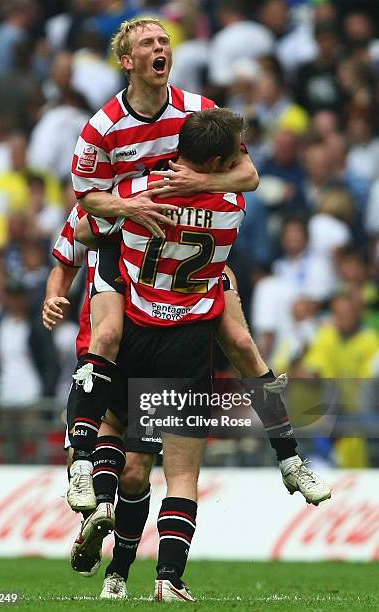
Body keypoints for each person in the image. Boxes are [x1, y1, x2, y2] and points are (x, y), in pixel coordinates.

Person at [66, 17, 330, 519]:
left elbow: (248, 173)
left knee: (244, 343)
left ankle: (291, 457)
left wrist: (186, 187)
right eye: (149, 43)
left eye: (165, 41)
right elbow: (86, 203)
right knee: (105, 340)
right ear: (128, 61)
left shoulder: (199, 110)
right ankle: (80, 463)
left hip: (187, 246)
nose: (161, 47)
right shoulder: (101, 128)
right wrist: (133, 208)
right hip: (127, 248)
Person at [73, 108, 331, 602]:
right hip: (189, 337)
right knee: (184, 471)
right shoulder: (233, 204)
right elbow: (242, 182)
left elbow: (87, 230)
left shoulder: (140, 189)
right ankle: (169, 577)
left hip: (134, 329)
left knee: (121, 444)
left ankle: (95, 495)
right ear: (218, 159)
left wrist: (119, 217)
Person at [43, 204, 161, 599]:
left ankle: (114, 557)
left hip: (156, 347)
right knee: (97, 440)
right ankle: (105, 536)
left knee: (134, 471)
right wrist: (53, 297)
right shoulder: (91, 207)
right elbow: (64, 259)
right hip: (101, 345)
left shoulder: (166, 196)